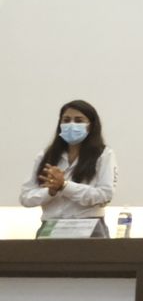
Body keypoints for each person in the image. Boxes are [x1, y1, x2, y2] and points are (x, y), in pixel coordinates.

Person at [20, 100, 117, 236]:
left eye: (78, 120)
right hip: (50, 227)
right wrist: (50, 192)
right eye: (66, 120)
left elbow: (105, 195)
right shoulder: (46, 155)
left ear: (91, 125)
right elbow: (26, 198)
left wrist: (65, 186)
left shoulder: (104, 154)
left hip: (89, 226)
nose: (71, 124)